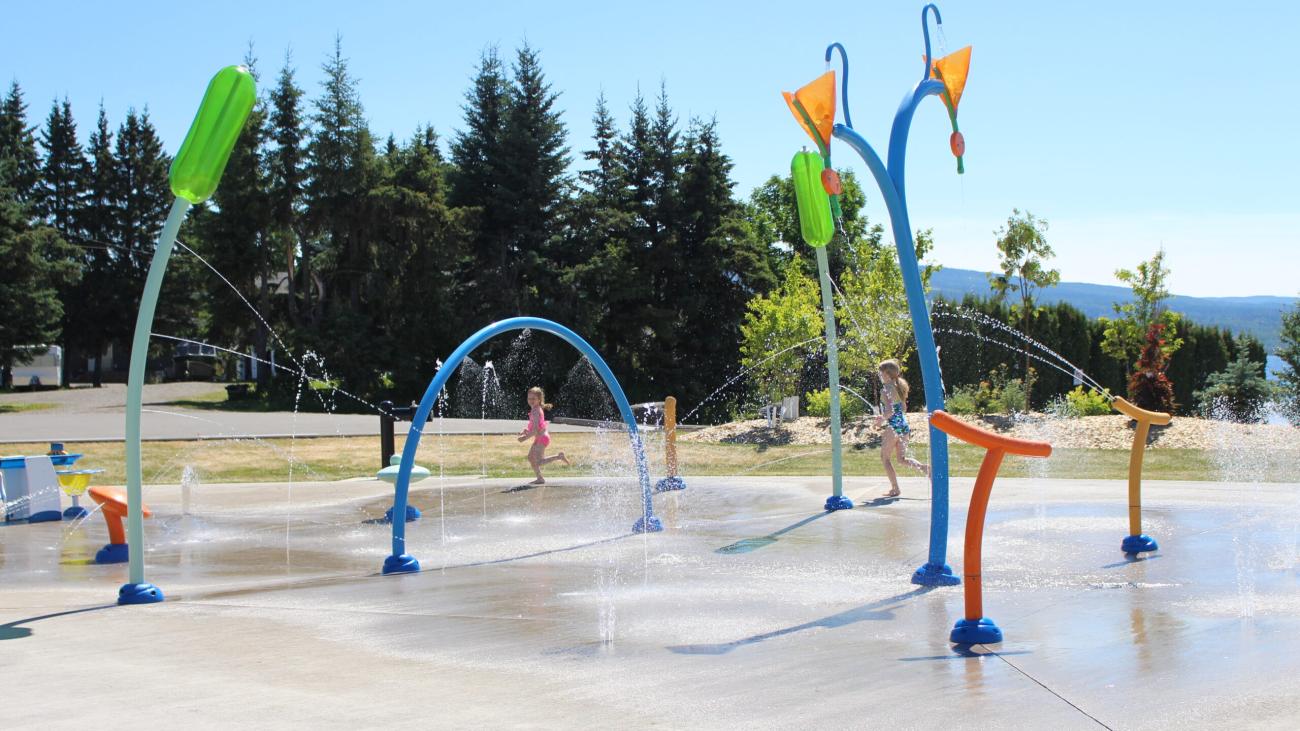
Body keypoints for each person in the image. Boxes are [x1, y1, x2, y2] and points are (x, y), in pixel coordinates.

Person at [875, 359, 928, 497]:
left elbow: (890, 411)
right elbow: (903, 408)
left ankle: (895, 489)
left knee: (885, 457)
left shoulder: (886, 389)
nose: (879, 375)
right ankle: (926, 469)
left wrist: (881, 419)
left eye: (881, 373)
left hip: (894, 426)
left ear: (887, 374)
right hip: (904, 426)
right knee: (901, 459)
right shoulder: (899, 387)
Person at [518, 386, 569, 484]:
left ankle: (559, 456)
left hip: (542, 438)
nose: (531, 400)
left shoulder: (536, 411)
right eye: (529, 398)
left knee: (538, 461)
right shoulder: (534, 410)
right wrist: (526, 430)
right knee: (531, 458)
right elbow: (534, 427)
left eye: (533, 399)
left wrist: (524, 438)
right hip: (540, 438)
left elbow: (536, 430)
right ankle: (540, 478)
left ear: (539, 399)